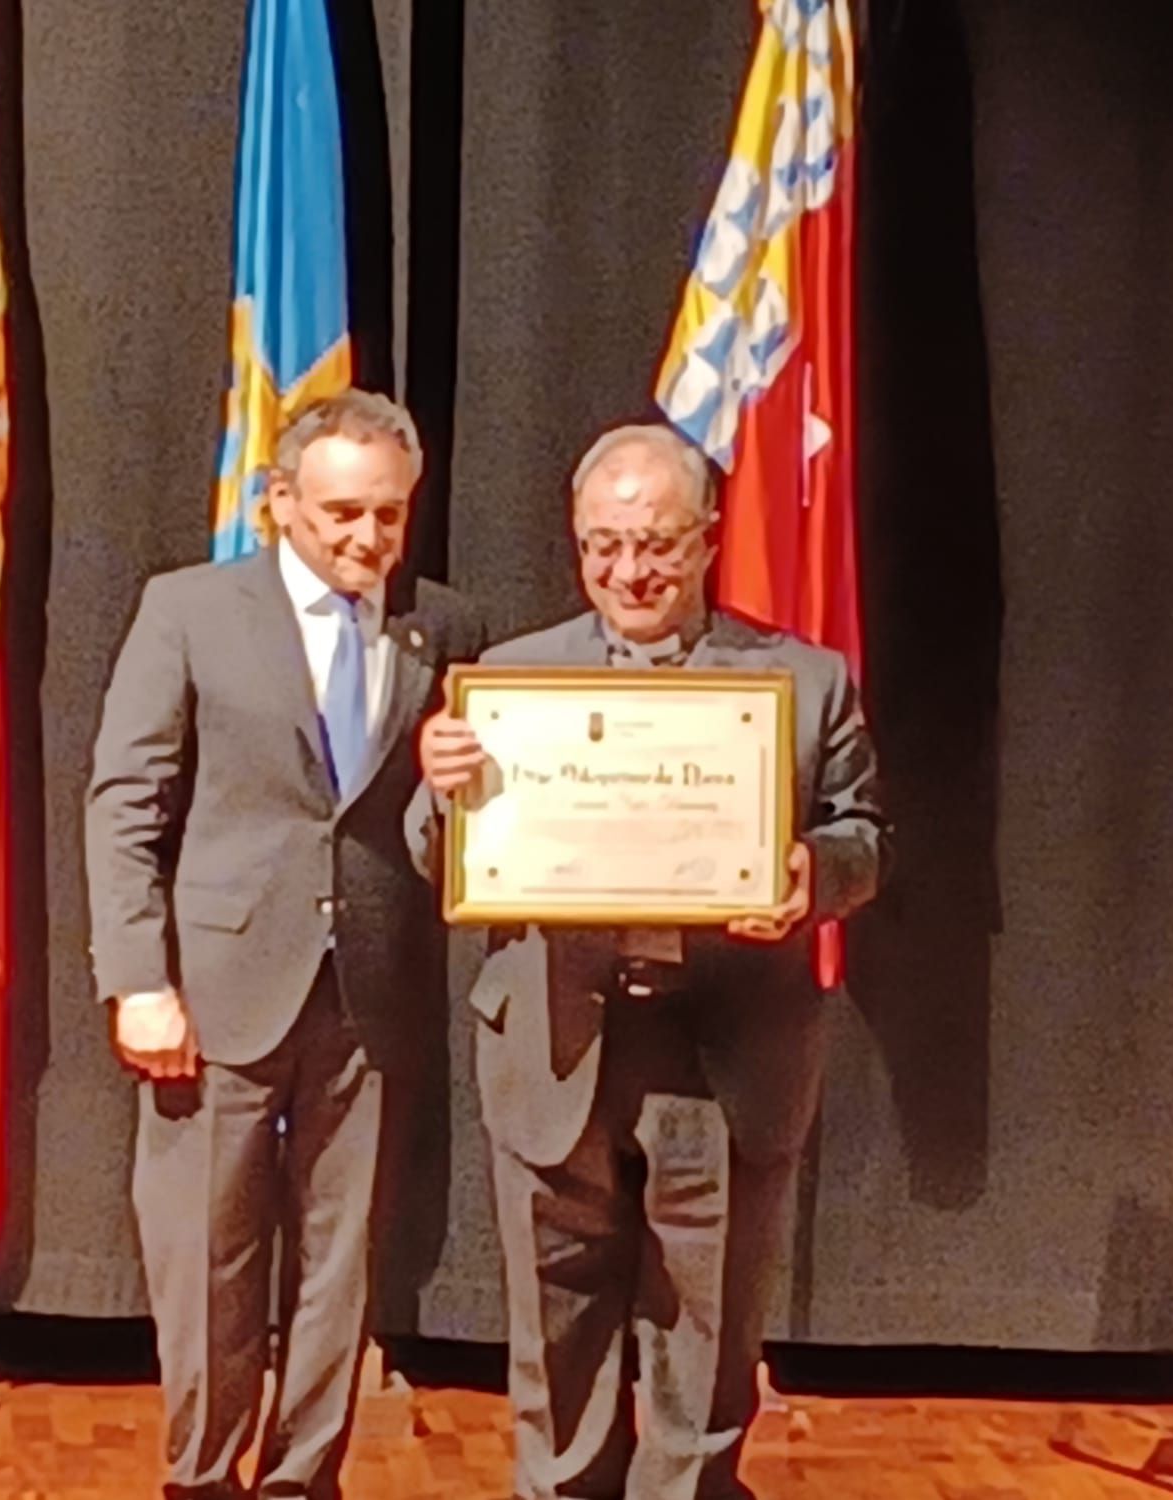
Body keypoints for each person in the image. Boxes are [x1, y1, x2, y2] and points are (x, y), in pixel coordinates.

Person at [412, 423, 889, 1500]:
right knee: (556, 1328)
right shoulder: (509, 679)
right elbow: (436, 855)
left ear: (707, 541)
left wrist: (814, 872)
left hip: (721, 1046)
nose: (629, 571)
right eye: (602, 546)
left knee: (704, 1340)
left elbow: (866, 837)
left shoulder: (800, 682)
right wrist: (436, 789)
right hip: (556, 1037)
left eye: (656, 544)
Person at [86, 390, 482, 1500]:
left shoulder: (442, 628)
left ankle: (305, 1479)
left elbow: (429, 830)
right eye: (344, 512)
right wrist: (136, 980)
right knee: (205, 1259)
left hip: (370, 992)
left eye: (390, 516)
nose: (368, 539)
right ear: (278, 503)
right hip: (213, 993)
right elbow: (124, 804)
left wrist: (457, 793)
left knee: (339, 1262)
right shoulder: (189, 610)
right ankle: (201, 1477)